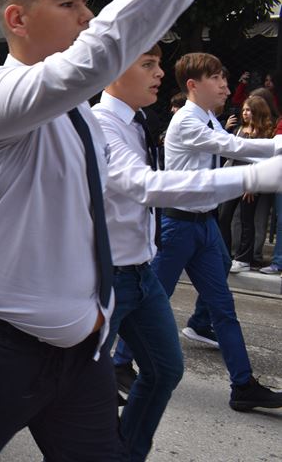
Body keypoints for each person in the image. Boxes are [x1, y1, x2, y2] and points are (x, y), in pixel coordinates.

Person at [0, 0, 238, 460]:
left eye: (86, 3)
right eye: (68, 4)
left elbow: (117, 195)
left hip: (80, 351)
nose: (86, 16)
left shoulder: (81, 115)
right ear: (17, 19)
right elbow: (99, 52)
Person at [93, 46, 282, 460]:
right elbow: (147, 184)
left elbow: (228, 143)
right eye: (148, 65)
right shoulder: (107, 124)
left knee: (175, 359)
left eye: (158, 64)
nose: (160, 74)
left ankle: (240, 384)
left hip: (158, 254)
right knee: (70, 390)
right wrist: (258, 173)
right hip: (125, 262)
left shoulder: (139, 121)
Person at [150, 51, 282, 411]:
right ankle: (117, 364)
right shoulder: (187, 122)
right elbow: (233, 147)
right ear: (194, 85)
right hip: (178, 226)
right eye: (217, 79)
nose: (226, 85)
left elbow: (226, 157)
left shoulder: (209, 118)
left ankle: (243, 385)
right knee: (150, 301)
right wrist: (276, 146)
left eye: (224, 78)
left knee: (224, 308)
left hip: (204, 225)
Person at [218, 95, 275, 273]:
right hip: (234, 178)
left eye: (248, 110)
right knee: (224, 216)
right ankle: (225, 254)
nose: (244, 113)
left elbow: (264, 160)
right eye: (243, 110)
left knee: (246, 219)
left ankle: (243, 259)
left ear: (257, 111)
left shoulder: (265, 133)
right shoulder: (239, 130)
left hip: (250, 180)